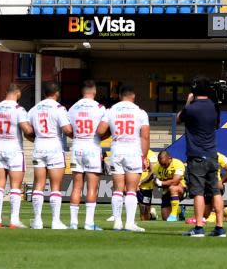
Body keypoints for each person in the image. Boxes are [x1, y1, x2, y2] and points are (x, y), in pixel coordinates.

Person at [177, 76, 225, 238]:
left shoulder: (192, 108)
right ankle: (219, 227)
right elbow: (217, 125)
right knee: (215, 192)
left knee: (198, 192)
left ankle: (199, 227)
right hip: (212, 155)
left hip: (196, 155)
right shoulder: (214, 106)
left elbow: (178, 119)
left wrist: (188, 102)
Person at [98, 84, 149, 233]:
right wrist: (144, 157)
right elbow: (145, 136)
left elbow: (101, 130)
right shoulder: (140, 112)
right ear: (133, 97)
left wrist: (111, 133)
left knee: (117, 190)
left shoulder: (111, 110)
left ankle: (117, 222)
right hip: (133, 151)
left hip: (117, 150)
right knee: (132, 190)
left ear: (120, 96)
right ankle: (130, 223)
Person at [27, 82, 73, 229]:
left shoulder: (34, 109)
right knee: (55, 185)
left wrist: (36, 139)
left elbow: (27, 131)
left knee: (39, 184)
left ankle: (37, 220)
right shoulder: (59, 108)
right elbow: (66, 129)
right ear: (57, 93)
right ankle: (55, 221)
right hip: (54, 145)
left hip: (39, 144)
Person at [0, 83, 33, 228]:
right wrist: (35, 136)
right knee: (15, 186)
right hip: (14, 148)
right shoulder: (18, 109)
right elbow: (26, 129)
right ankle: (14, 220)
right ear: (18, 93)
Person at [67, 80, 107, 230]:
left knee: (76, 187)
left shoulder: (72, 108)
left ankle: (73, 223)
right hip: (92, 145)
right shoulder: (100, 108)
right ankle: (89, 223)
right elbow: (102, 130)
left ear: (82, 91)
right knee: (92, 187)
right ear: (94, 91)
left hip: (77, 146)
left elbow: (67, 129)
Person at [154, 151, 186, 221]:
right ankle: (179, 210)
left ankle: (174, 214)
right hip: (166, 191)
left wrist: (161, 183)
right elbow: (156, 181)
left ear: (170, 158)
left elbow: (175, 181)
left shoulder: (178, 164)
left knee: (173, 188)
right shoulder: (157, 167)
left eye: (164, 164)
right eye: (160, 164)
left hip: (180, 189)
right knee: (165, 218)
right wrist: (156, 182)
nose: (162, 166)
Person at [136, 149, 159, 221]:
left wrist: (141, 182)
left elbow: (153, 173)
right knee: (141, 209)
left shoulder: (151, 154)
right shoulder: (133, 152)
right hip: (135, 184)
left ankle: (150, 216)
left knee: (145, 209)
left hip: (146, 187)